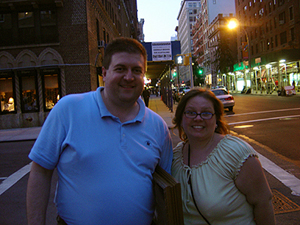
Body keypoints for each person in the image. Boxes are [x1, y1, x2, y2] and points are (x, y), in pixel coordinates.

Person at [26, 37, 173, 225]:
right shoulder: (68, 109)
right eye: (120, 69)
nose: (129, 77)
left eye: (136, 70)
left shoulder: (158, 126)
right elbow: (40, 171)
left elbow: (165, 188)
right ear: (104, 73)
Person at [171, 88, 275, 225]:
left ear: (216, 120)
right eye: (190, 112)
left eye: (206, 113)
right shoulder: (175, 156)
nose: (198, 118)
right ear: (181, 118)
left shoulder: (236, 153)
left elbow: (263, 203)